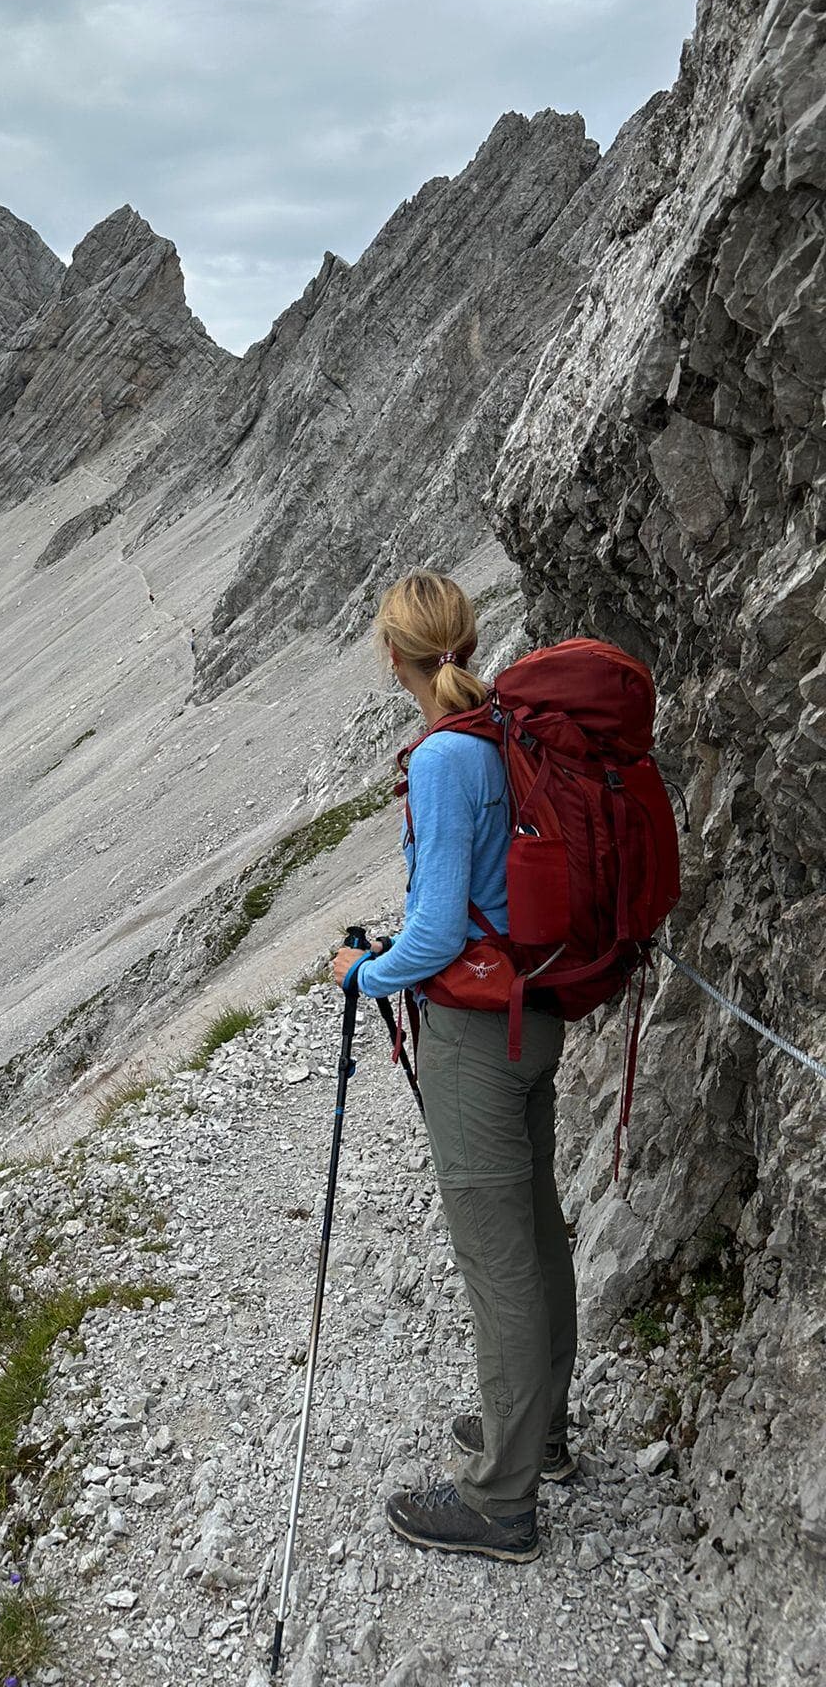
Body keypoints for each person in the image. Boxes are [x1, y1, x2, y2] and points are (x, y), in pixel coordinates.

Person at [330, 569, 577, 1566]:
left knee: (497, 1258)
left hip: (478, 1031)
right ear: (467, 642)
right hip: (536, 1005)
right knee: (533, 1229)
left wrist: (366, 969)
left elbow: (434, 930)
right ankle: (541, 1434)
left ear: (395, 656)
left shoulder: (443, 757)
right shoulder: (500, 730)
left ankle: (500, 1502)